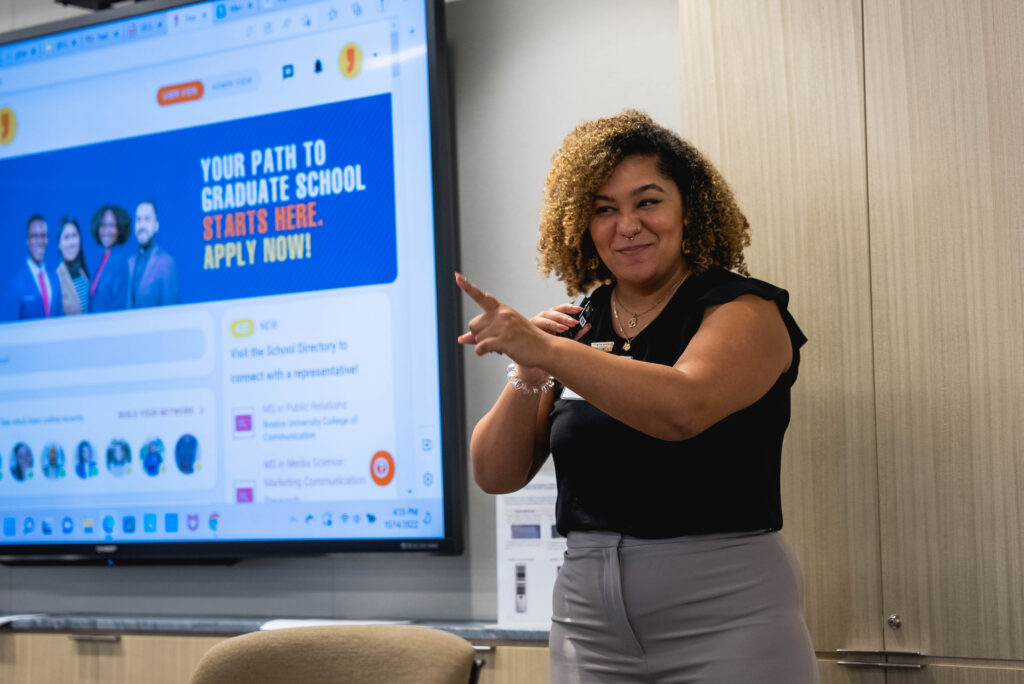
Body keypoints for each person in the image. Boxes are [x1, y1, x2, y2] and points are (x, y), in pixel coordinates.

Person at [458, 110, 818, 683]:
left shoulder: (744, 309)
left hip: (724, 615)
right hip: (587, 618)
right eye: (605, 209)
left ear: (688, 208)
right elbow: (496, 473)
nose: (627, 225)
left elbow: (682, 409)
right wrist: (529, 367)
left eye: (647, 201)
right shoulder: (581, 321)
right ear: (583, 224)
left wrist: (552, 354)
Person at [1, 214, 63, 320]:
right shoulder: (16, 284)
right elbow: (11, 329)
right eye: (34, 236)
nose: (40, 241)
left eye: (43, 236)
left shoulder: (54, 280)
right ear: (27, 240)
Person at [127, 200, 179, 308]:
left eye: (147, 219)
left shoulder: (166, 263)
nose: (142, 225)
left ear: (156, 226)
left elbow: (171, 312)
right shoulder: (129, 263)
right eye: (138, 219)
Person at [88, 204, 131, 313]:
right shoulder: (102, 260)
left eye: (111, 225)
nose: (107, 230)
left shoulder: (119, 261)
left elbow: (120, 305)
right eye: (103, 225)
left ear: (119, 229)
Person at [56, 217, 91, 315]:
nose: (71, 242)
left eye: (74, 236)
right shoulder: (56, 278)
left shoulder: (83, 273)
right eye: (66, 237)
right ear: (59, 244)